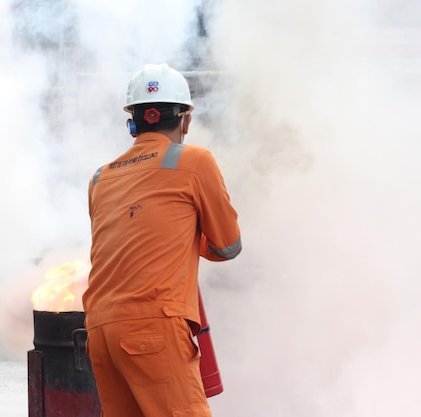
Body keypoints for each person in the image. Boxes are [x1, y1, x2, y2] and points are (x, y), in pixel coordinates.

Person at [83, 63, 241, 417]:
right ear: (185, 120)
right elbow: (227, 245)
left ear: (133, 122)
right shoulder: (194, 160)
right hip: (151, 328)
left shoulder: (99, 178)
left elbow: (126, 237)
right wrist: (189, 235)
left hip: (100, 333)